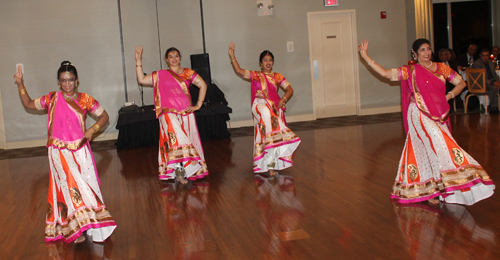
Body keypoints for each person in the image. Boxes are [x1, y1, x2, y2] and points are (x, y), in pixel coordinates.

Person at [359, 39, 495, 205]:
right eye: (422, 50)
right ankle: (456, 178)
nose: (427, 52)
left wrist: (448, 96)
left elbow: (461, 83)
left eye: (429, 49)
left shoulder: (441, 68)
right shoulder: (411, 70)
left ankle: (434, 189)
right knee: (441, 143)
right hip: (419, 112)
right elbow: (386, 74)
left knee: (429, 149)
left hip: (440, 112)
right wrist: (366, 57)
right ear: (415, 54)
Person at [14, 61, 117, 244]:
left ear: (76, 81)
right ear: (58, 82)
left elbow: (104, 116)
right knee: (70, 187)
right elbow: (29, 103)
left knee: (86, 187)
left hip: (81, 150)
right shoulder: (53, 98)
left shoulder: (85, 99)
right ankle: (74, 228)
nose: (67, 84)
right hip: (59, 151)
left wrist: (92, 130)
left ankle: (89, 224)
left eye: (70, 80)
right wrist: (21, 84)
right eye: (63, 80)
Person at [135, 46, 208, 184]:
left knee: (178, 143)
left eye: (176, 56)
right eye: (171, 56)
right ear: (167, 60)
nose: (174, 58)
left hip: (186, 113)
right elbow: (142, 80)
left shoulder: (187, 72)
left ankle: (182, 172)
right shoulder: (161, 74)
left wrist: (198, 105)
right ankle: (182, 170)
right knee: (177, 139)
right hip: (168, 113)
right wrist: (138, 61)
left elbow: (203, 85)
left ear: (180, 57)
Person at [228, 42, 301, 178]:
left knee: (271, 132)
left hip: (274, 107)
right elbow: (239, 71)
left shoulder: (278, 76)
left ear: (273, 62)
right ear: (261, 63)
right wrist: (232, 56)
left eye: (270, 60)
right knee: (267, 115)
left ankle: (272, 163)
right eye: (265, 60)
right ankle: (270, 159)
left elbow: (290, 90)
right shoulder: (256, 75)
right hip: (260, 106)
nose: (268, 62)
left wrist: (283, 100)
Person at [471, 48, 500, 113]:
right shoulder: (477, 64)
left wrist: (498, 82)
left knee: (496, 86)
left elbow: (495, 75)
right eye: (483, 55)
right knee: (494, 88)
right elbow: (481, 78)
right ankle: (494, 108)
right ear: (480, 55)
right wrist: (493, 83)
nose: (485, 57)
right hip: (481, 83)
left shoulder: (491, 63)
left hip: (491, 82)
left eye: (486, 55)